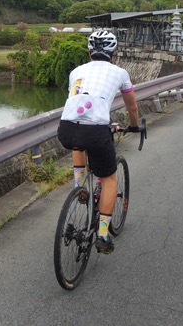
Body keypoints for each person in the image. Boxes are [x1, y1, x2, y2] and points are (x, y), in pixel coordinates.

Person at [57, 29, 140, 255]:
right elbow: (132, 107)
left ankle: (80, 187)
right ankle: (103, 234)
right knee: (109, 177)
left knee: (78, 143)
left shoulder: (76, 71)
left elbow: (82, 101)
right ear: (114, 52)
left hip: (66, 128)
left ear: (90, 50)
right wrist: (133, 125)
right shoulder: (120, 73)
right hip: (96, 131)